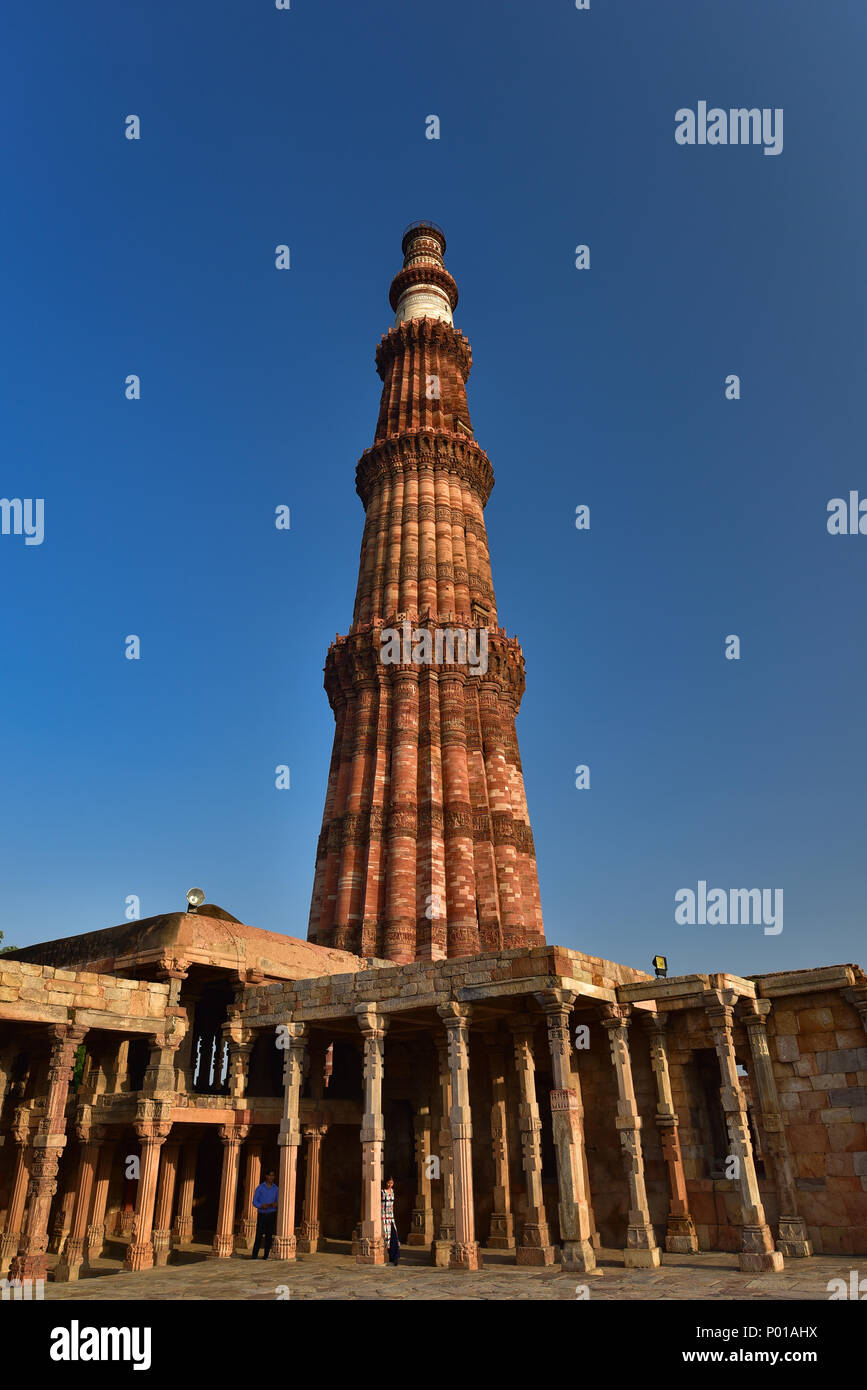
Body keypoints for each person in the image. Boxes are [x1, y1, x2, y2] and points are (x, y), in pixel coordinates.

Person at [251, 1169, 279, 1259]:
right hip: (262, 1214)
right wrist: (261, 1205)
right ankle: (254, 1255)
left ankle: (266, 1256)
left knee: (269, 1235)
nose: (271, 1177)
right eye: (269, 1175)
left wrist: (276, 1204)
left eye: (272, 1176)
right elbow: (254, 1201)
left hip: (271, 1214)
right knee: (258, 1235)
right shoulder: (260, 1188)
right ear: (266, 1176)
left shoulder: (276, 1189)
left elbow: (278, 1201)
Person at [382, 1176, 400, 1265]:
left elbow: (392, 1205)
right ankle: (389, 1257)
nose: (390, 1185)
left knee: (394, 1236)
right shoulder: (382, 1192)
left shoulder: (392, 1191)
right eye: (389, 1183)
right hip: (384, 1216)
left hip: (391, 1216)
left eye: (392, 1183)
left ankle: (395, 1258)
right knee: (387, 1236)